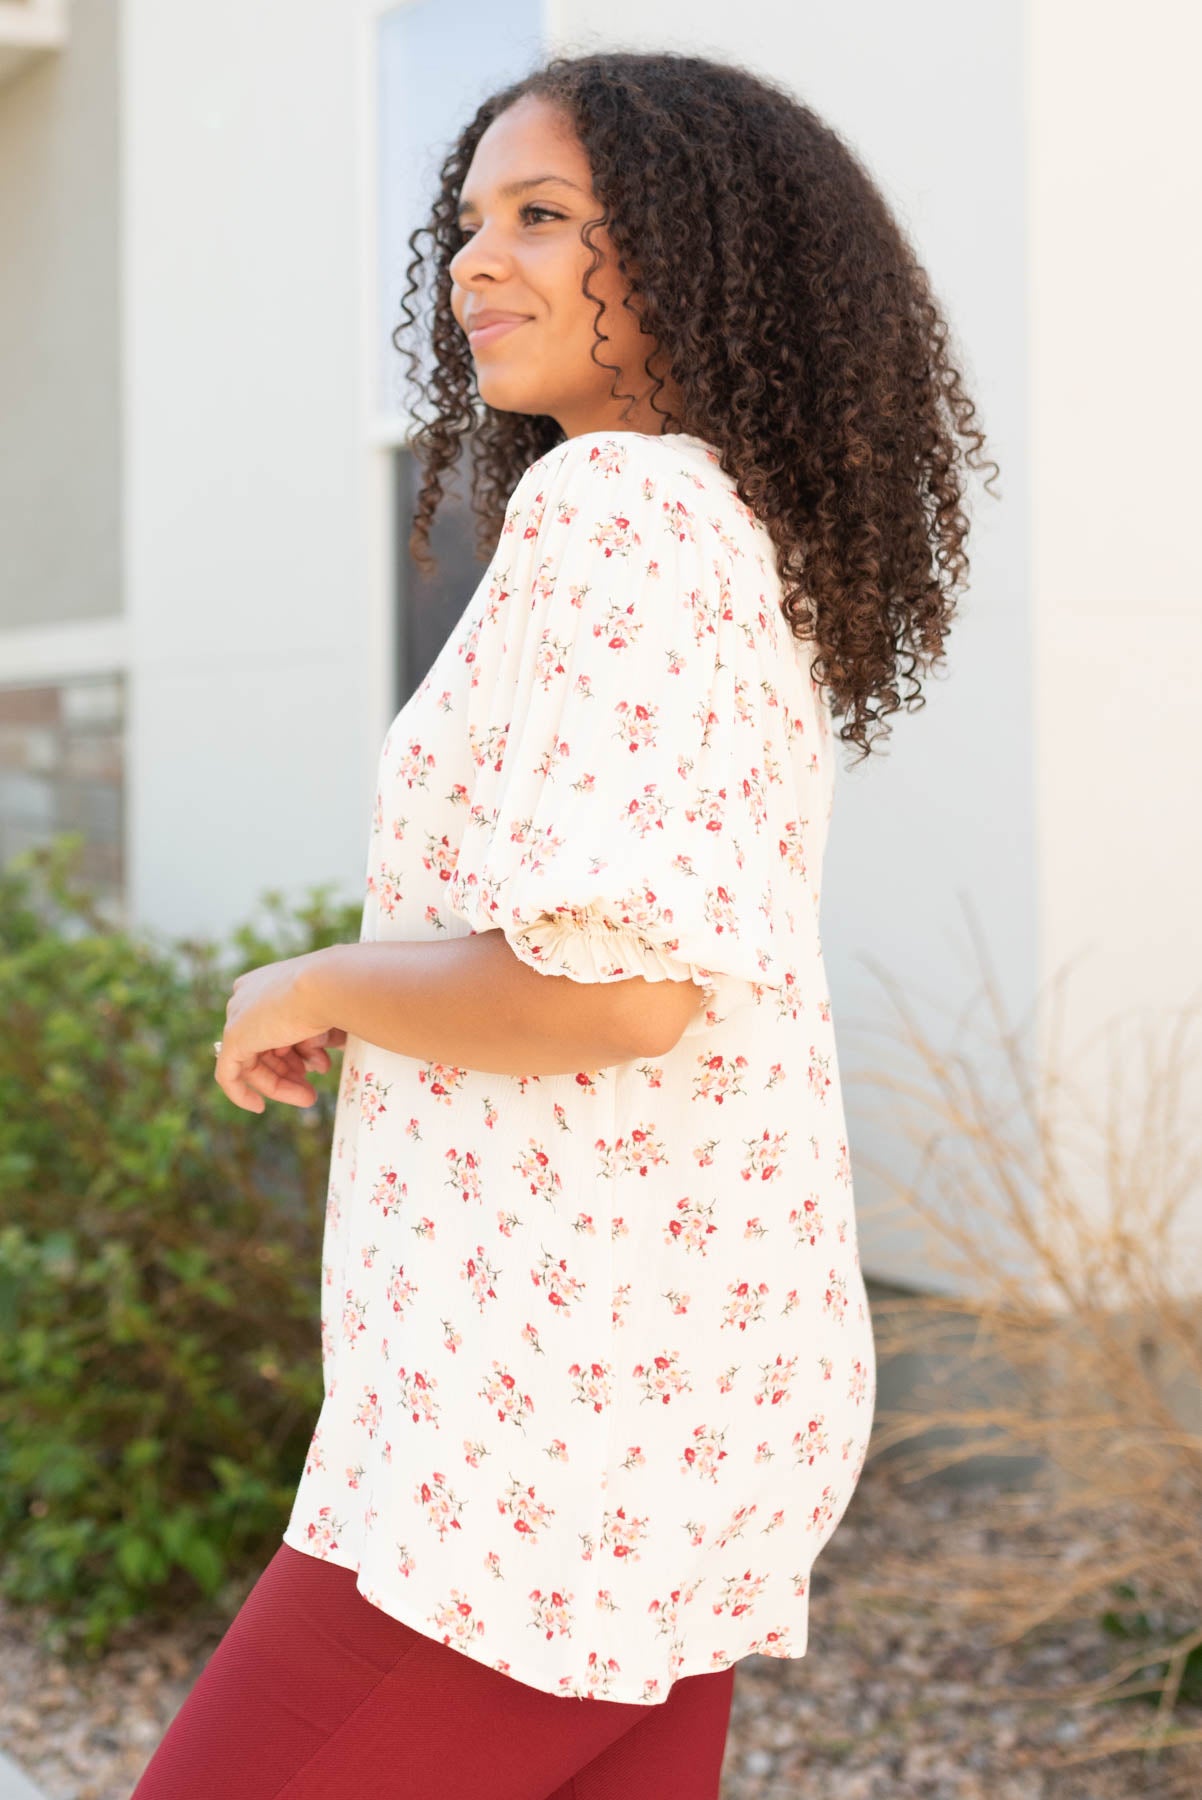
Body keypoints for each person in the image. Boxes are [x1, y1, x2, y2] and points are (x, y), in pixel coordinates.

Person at [133, 46, 997, 1800]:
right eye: (467, 219)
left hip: (542, 1429)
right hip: (676, 1398)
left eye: (544, 218)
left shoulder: (614, 512)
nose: (473, 260)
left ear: (692, 252)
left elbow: (616, 992)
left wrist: (312, 978)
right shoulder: (716, 528)